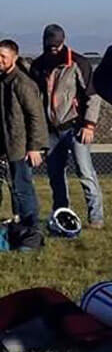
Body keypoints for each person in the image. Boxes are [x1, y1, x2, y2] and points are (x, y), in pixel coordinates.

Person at [29, 25, 105, 228]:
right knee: (55, 175)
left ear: (63, 42)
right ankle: (61, 214)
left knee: (85, 172)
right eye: (49, 45)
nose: (53, 49)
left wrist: (89, 124)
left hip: (76, 127)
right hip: (52, 129)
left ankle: (96, 217)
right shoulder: (38, 66)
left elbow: (93, 95)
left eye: (56, 45)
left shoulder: (78, 63)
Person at [0, 40, 45, 233]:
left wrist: (34, 147)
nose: (0, 60)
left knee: (22, 188)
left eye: (3, 56)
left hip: (19, 146)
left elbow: (35, 115)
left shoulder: (22, 83)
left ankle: (30, 228)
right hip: (4, 143)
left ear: (14, 57)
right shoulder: (3, 81)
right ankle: (19, 223)